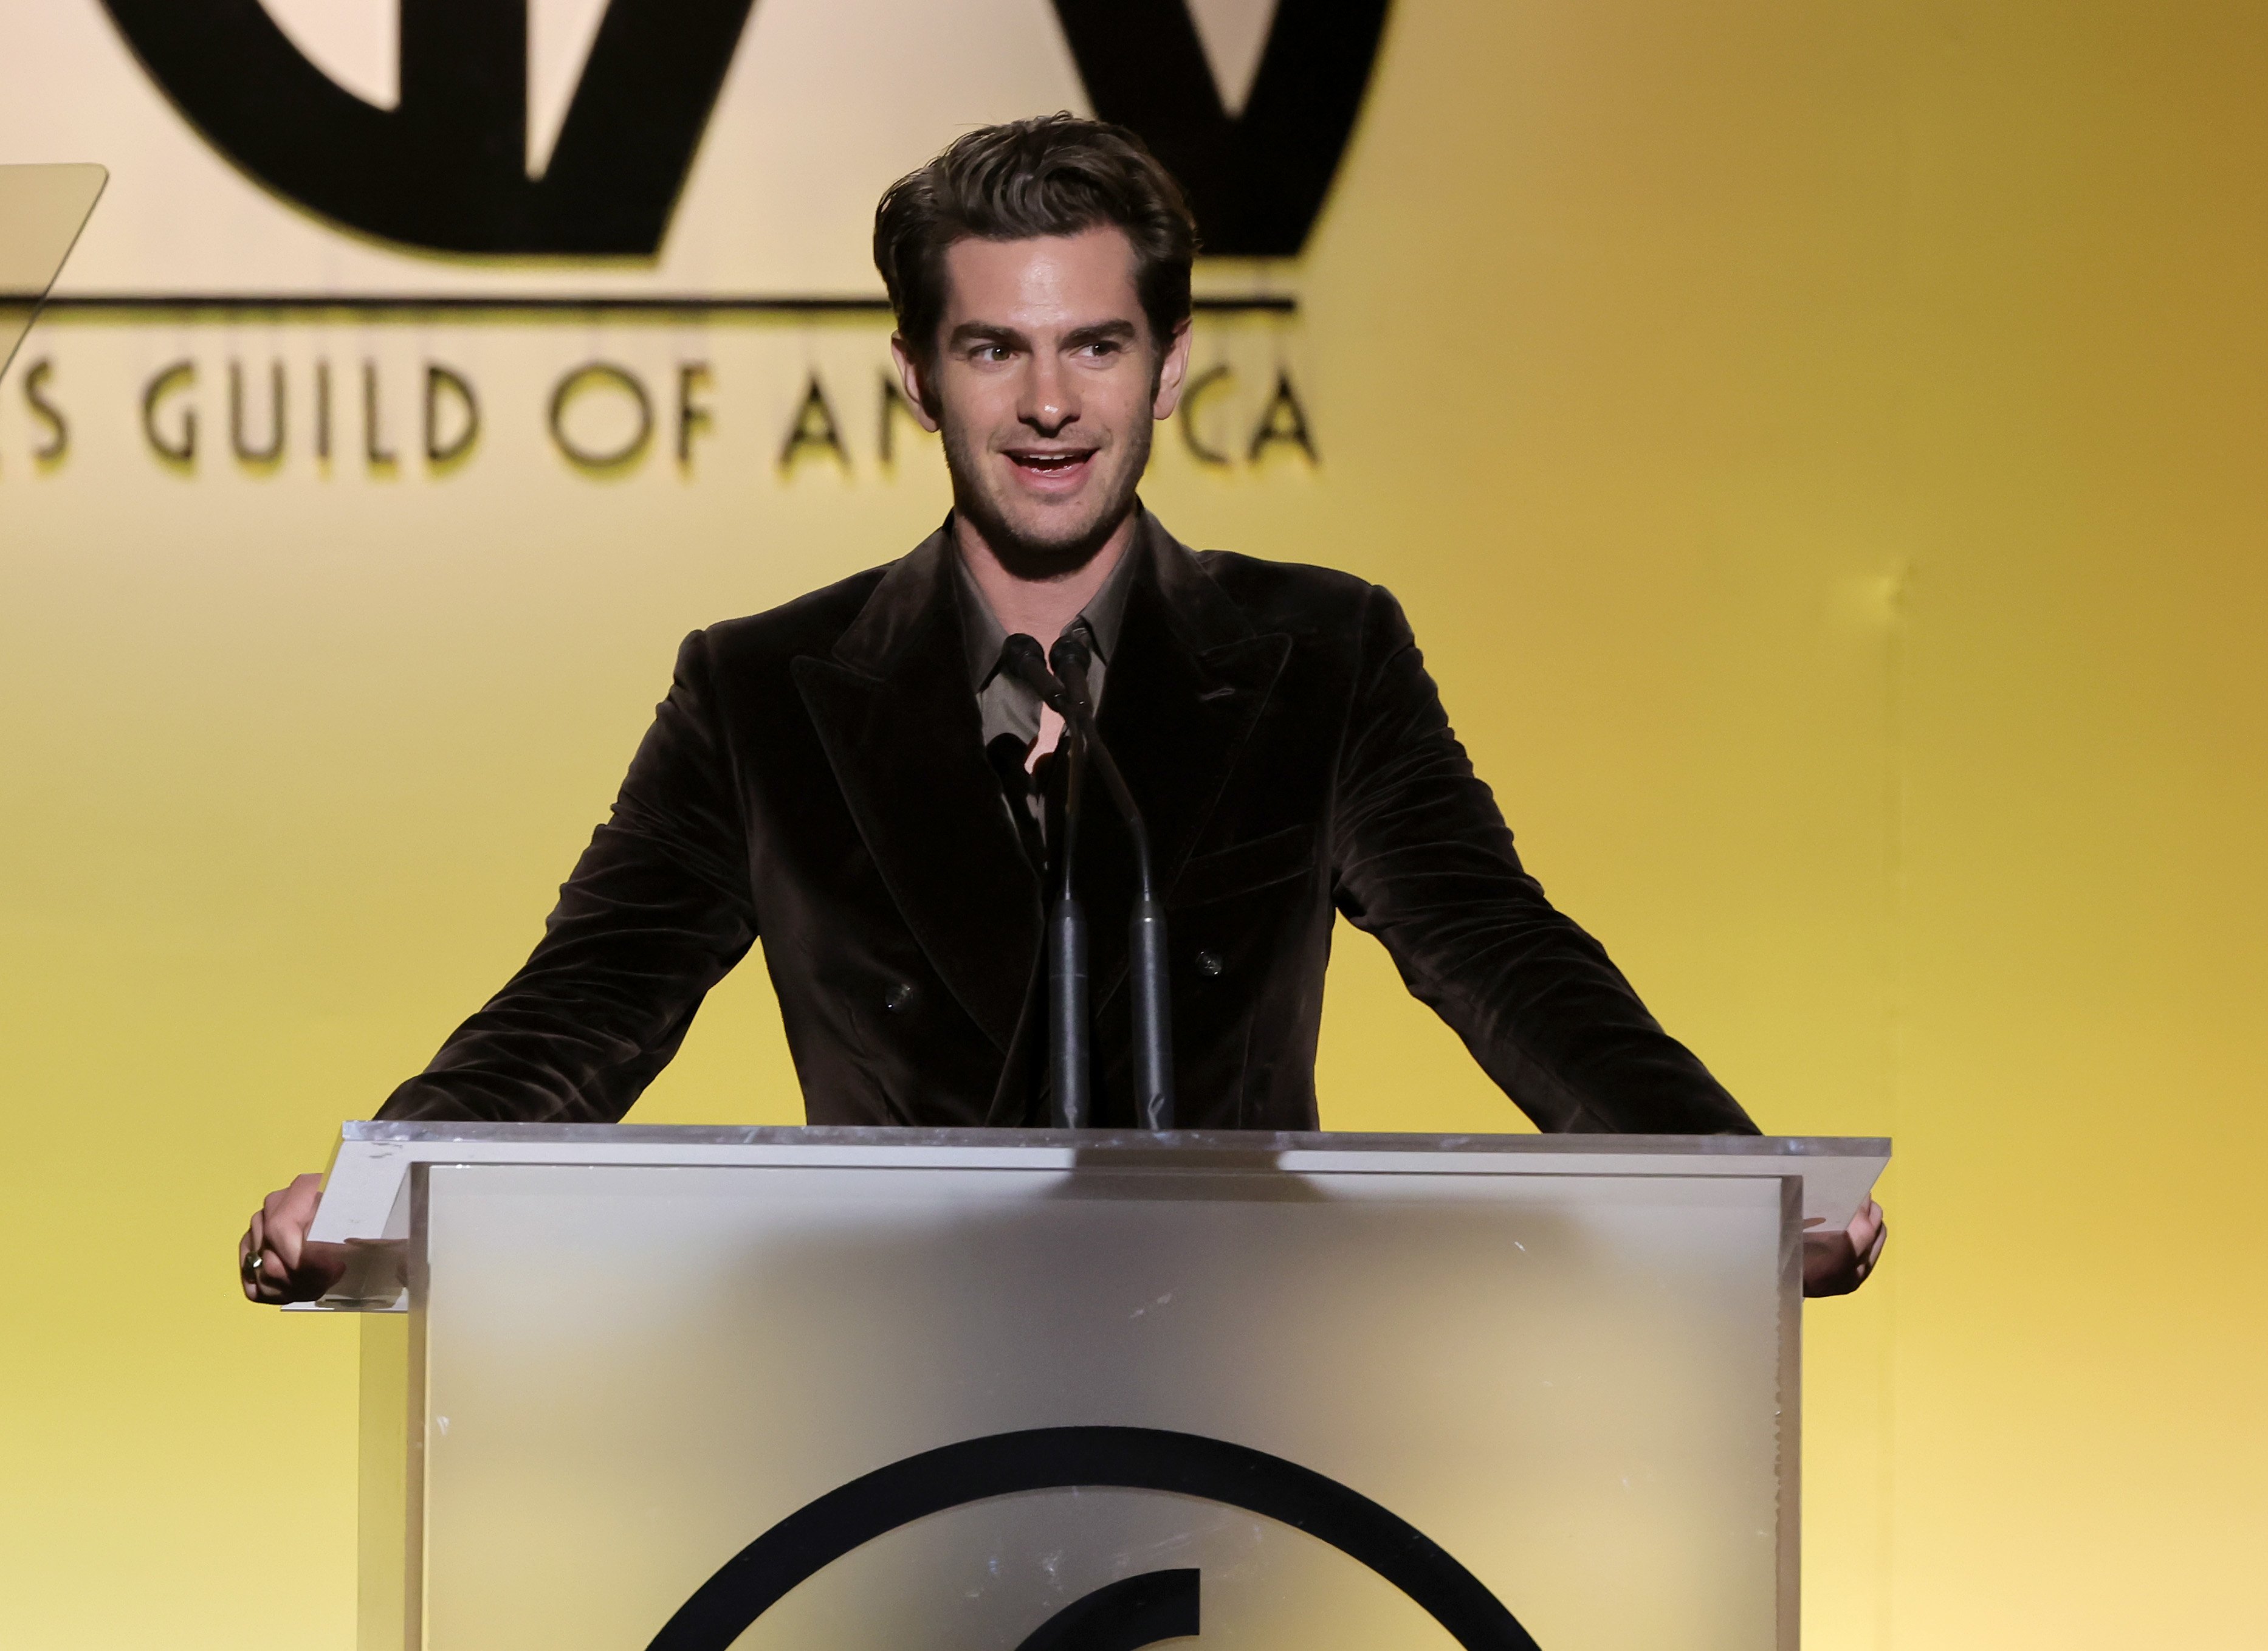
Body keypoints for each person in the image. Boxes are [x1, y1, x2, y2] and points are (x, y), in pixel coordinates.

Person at [240, 115, 1885, 1305]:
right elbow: (581, 1009)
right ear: (913, 370)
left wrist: (1741, 1189)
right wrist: (380, 1186)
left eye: (1095, 346)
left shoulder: (1319, 656)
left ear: (1170, 364)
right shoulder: (759, 691)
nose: (1047, 405)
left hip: (1240, 1412)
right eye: (994, 350)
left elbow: (1506, 960)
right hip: (895, 1418)